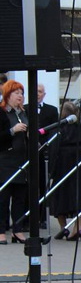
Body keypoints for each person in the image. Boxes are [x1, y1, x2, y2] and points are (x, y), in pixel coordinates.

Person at [48, 102, 81, 240]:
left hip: (63, 165)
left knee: (59, 196)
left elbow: (53, 150)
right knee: (79, 196)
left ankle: (63, 228)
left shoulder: (58, 129)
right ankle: (78, 227)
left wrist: (50, 171)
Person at [25, 83, 58, 229]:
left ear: (44, 94)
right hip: (27, 153)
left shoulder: (52, 110)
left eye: (40, 92)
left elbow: (55, 131)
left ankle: (42, 217)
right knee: (27, 186)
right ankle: (26, 217)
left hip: (44, 153)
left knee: (43, 185)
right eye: (35, 91)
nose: (37, 94)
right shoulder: (24, 109)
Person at [0, 81, 29, 244]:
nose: (20, 96)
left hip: (22, 160)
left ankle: (17, 229)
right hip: (5, 160)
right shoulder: (2, 112)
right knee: (3, 198)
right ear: (8, 95)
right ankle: (1, 230)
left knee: (20, 197)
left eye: (21, 93)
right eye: (16, 93)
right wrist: (13, 130)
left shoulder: (23, 113)